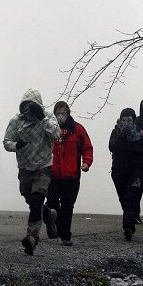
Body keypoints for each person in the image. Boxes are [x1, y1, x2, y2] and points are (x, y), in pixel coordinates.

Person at [3, 88, 60, 255]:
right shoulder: (16, 121)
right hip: (25, 168)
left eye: (32, 106)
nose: (29, 109)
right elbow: (7, 141)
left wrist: (42, 118)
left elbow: (56, 135)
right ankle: (49, 215)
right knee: (29, 197)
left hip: (43, 166)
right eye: (26, 106)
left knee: (36, 199)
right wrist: (16, 145)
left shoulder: (48, 117)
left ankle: (32, 237)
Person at [46, 101, 93, 247]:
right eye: (58, 113)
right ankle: (55, 225)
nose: (61, 116)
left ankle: (65, 236)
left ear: (68, 113)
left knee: (67, 206)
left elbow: (87, 148)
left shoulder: (78, 129)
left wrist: (86, 162)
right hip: (52, 175)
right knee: (52, 203)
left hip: (71, 176)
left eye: (63, 113)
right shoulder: (48, 129)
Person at [109, 108, 143, 241]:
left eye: (129, 120)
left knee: (131, 197)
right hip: (119, 171)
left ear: (134, 120)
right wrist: (122, 135)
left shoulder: (140, 133)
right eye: (124, 120)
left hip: (136, 171)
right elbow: (112, 147)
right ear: (121, 120)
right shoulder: (116, 131)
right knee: (123, 198)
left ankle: (128, 226)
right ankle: (130, 221)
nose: (126, 123)